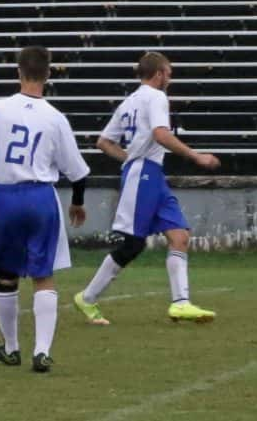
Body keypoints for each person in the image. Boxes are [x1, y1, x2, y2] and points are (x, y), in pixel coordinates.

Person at [0, 46, 90, 373]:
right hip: (41, 198)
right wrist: (77, 202)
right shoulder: (55, 117)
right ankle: (42, 351)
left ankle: (11, 347)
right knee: (43, 275)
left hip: (5, 198)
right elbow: (78, 172)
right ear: (48, 75)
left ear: (19, 72)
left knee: (6, 276)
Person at [73, 52, 220, 326]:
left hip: (149, 172)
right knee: (133, 243)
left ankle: (180, 303)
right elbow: (161, 134)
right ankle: (88, 297)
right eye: (169, 73)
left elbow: (103, 142)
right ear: (159, 74)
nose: (170, 79)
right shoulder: (156, 97)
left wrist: (130, 159)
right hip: (144, 173)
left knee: (179, 235)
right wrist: (196, 156)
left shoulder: (130, 101)